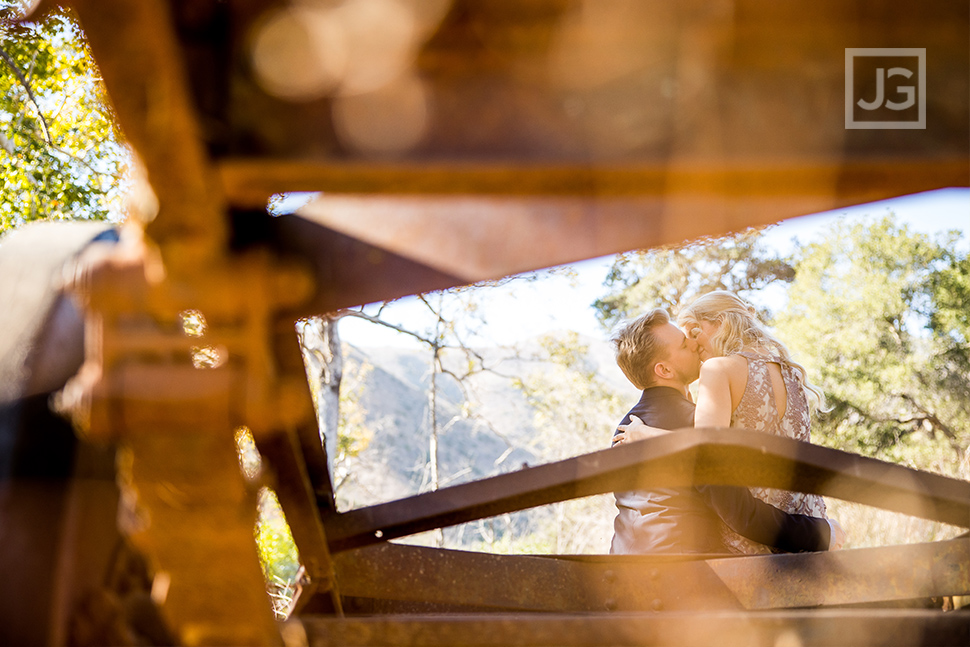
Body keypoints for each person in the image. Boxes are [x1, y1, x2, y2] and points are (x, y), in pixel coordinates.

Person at [617, 291, 845, 554]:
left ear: (722, 322)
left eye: (694, 332)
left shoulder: (717, 370)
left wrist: (649, 437)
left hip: (755, 545)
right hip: (811, 524)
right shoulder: (792, 373)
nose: (694, 343)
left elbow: (706, 454)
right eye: (685, 341)